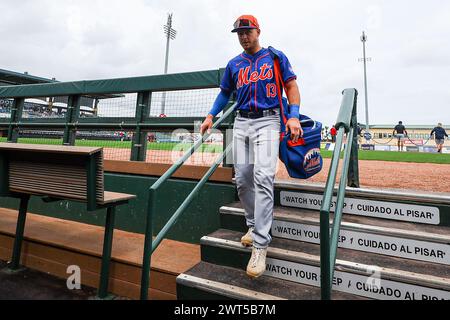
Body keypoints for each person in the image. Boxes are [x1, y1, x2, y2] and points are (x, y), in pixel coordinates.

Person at [200, 15, 302, 279]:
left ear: (258, 31)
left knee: (263, 177)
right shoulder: (234, 64)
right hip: (242, 122)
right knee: (243, 180)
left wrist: (293, 115)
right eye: (240, 32)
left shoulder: (275, 56)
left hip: (269, 120)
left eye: (248, 31)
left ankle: (260, 244)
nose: (244, 36)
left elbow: (291, 86)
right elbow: (225, 93)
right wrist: (211, 114)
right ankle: (253, 224)